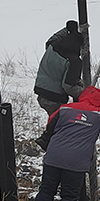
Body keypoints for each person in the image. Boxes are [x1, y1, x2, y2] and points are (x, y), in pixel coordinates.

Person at [34, 20, 85, 149]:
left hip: (41, 92)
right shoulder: (74, 61)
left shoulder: (53, 46)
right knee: (58, 127)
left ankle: (48, 142)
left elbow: (53, 37)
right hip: (55, 98)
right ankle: (48, 144)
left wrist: (69, 30)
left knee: (56, 122)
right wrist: (82, 91)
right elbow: (68, 86)